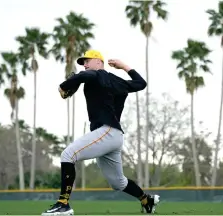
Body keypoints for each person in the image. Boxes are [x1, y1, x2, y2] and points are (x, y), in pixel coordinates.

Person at [41, 50, 160, 216]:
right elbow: (141, 83)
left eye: (87, 61)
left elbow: (82, 77)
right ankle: (147, 200)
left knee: (68, 155)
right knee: (118, 182)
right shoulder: (117, 81)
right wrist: (124, 66)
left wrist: (64, 86)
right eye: (83, 63)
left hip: (107, 131)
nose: (85, 65)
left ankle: (63, 204)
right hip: (113, 136)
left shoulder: (96, 75)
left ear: (99, 62)